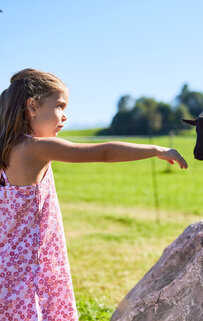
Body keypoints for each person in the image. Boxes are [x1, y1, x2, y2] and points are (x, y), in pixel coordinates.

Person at [0, 68, 188, 320]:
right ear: (32, 106)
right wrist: (156, 150)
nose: (65, 117)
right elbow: (104, 152)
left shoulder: (7, 149)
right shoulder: (35, 148)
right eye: (59, 106)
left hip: (7, 267)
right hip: (30, 269)